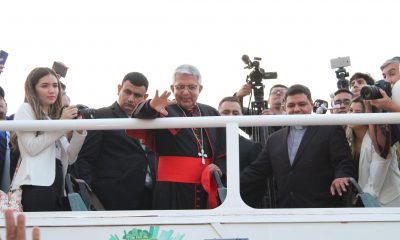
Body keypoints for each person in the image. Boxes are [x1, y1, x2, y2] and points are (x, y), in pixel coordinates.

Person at [128, 64, 226, 210]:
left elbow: (224, 147)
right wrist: (150, 106)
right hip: (171, 190)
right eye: (180, 87)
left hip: (206, 185)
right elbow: (138, 115)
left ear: (200, 88)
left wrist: (219, 166)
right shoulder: (163, 108)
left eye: (191, 87)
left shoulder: (210, 112)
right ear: (173, 89)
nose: (185, 92)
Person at [240, 84, 355, 208]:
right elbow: (257, 171)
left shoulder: (330, 129)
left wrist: (341, 176)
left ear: (311, 104)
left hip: (323, 211)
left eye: (302, 104)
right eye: (291, 105)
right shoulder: (274, 139)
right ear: (284, 108)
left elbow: (344, 161)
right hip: (288, 212)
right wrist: (230, 186)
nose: (296, 109)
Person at [10, 67, 87, 212]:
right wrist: (62, 124)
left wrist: (79, 131)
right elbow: (32, 147)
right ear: (33, 89)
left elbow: (70, 158)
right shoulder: (25, 109)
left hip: (58, 186)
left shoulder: (53, 120)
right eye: (45, 86)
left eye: (55, 85)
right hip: (35, 185)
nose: (52, 90)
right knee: (38, 234)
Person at [76, 72, 155, 210]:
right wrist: (91, 196)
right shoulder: (101, 116)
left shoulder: (151, 121)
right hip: (109, 200)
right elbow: (85, 159)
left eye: (137, 95)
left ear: (145, 97)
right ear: (119, 89)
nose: (131, 99)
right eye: (127, 92)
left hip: (146, 199)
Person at [346, 96, 400, 207]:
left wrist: (358, 203)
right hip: (365, 201)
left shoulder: (379, 140)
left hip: (387, 204)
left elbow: (375, 182)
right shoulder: (348, 140)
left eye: (358, 112)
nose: (352, 114)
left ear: (369, 115)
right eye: (351, 110)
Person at [218, 96, 264, 208]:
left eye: (235, 113)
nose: (231, 116)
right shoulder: (204, 142)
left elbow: (255, 186)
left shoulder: (252, 147)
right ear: (217, 115)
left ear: (242, 117)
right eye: (226, 112)